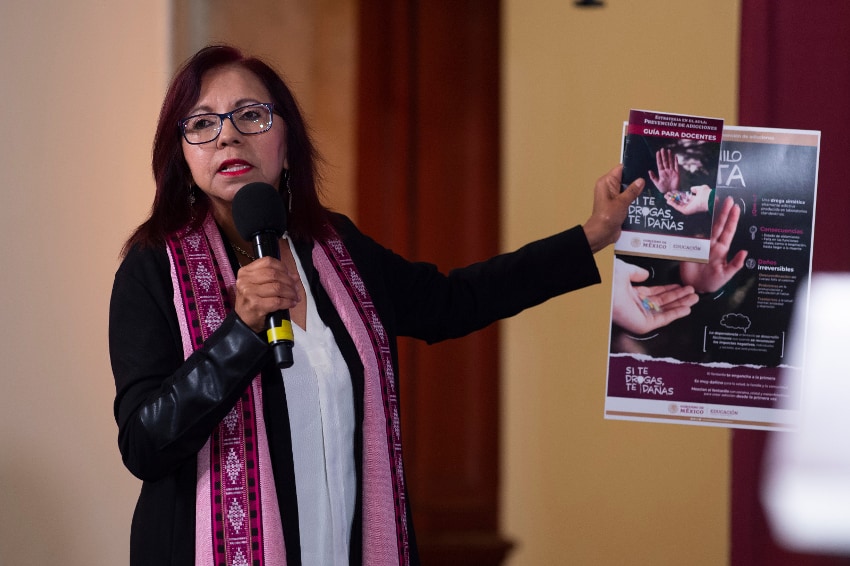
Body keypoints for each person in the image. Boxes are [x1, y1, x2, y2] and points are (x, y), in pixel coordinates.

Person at [109, 44, 642, 566]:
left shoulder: (336, 249)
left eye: (251, 115)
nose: (227, 134)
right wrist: (240, 333)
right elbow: (143, 444)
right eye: (202, 124)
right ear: (182, 153)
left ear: (287, 140)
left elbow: (454, 301)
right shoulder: (154, 268)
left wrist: (592, 235)